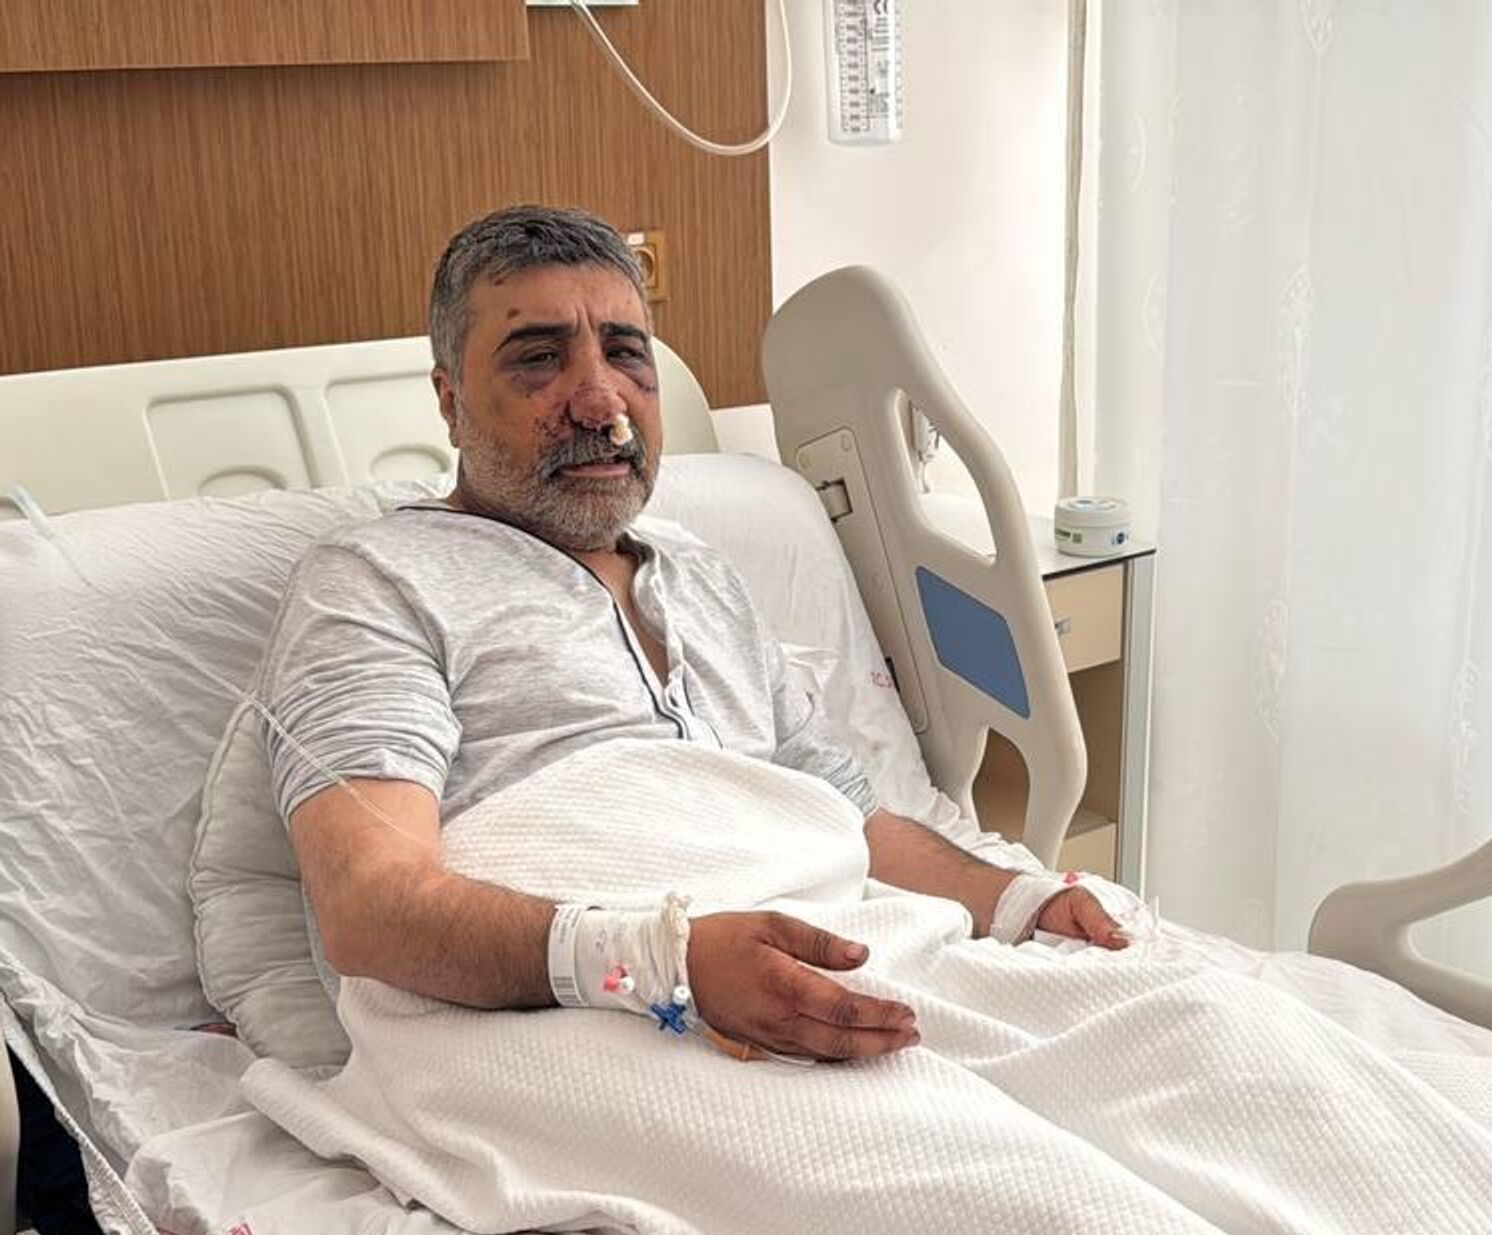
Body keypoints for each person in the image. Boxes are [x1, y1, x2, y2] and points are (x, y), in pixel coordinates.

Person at [263, 205, 1124, 1063]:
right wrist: (660, 963)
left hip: (833, 947)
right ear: (450, 402)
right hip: (595, 1022)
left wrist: (1017, 900)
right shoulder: (377, 582)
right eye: (538, 358)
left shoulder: (702, 576)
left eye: (626, 353)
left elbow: (849, 816)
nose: (602, 402)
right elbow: (369, 907)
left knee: (1152, 1032)